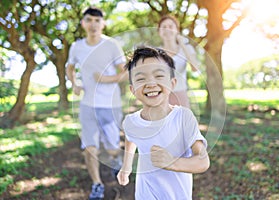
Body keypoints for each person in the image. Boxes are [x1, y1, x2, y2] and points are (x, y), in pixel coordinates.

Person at [117, 46, 210, 199]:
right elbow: (130, 139)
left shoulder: (183, 118)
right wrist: (126, 166)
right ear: (133, 89)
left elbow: (203, 161)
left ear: (172, 83)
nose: (150, 83)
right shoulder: (131, 122)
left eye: (159, 75)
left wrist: (172, 162)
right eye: (141, 78)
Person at [66, 7, 127, 200]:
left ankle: (116, 157)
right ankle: (97, 184)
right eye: (89, 20)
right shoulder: (76, 47)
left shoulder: (112, 45)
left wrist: (105, 79)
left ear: (103, 24)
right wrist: (74, 84)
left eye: (97, 21)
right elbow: (69, 67)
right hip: (87, 105)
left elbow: (125, 73)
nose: (93, 24)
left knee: (111, 147)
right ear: (83, 23)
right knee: (90, 146)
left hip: (111, 104)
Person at [158, 15, 200, 108]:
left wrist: (182, 44)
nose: (167, 29)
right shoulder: (155, 52)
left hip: (181, 95)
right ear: (159, 32)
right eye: (164, 27)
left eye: (170, 26)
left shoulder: (187, 48)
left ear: (177, 30)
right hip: (161, 97)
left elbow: (195, 68)